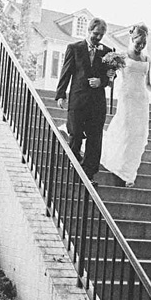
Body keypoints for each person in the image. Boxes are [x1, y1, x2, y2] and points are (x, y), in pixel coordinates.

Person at [101, 23, 151, 188]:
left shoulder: (147, 59)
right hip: (127, 97)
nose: (140, 46)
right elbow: (111, 79)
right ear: (132, 39)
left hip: (141, 99)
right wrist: (109, 76)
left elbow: (148, 82)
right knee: (125, 130)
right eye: (138, 43)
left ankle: (129, 173)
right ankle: (119, 166)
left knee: (138, 136)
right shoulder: (122, 57)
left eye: (143, 44)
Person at [55, 18, 115, 185]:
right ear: (89, 31)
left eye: (101, 35)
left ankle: (89, 174)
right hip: (78, 99)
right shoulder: (75, 48)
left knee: (95, 139)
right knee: (75, 136)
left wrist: (102, 81)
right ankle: (74, 172)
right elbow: (66, 72)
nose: (98, 38)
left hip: (97, 102)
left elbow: (110, 76)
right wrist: (61, 94)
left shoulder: (108, 52)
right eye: (96, 34)